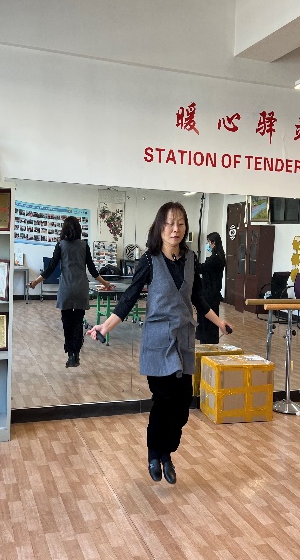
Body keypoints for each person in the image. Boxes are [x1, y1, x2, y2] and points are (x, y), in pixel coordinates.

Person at [87, 202, 231, 484]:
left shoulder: (191, 259)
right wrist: (105, 326)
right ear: (159, 227)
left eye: (180, 223)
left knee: (182, 404)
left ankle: (166, 451)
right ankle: (156, 454)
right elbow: (129, 298)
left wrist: (219, 323)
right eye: (169, 223)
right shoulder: (149, 260)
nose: (175, 229)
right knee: (164, 401)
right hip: (157, 342)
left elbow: (198, 298)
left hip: (183, 340)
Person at [28, 216, 113, 368]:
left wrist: (35, 282)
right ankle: (77, 354)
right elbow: (93, 270)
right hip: (81, 288)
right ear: (78, 229)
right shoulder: (84, 246)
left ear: (64, 229)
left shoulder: (60, 245)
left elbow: (50, 268)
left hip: (66, 289)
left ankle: (70, 354)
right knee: (78, 321)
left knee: (67, 322)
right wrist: (105, 283)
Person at [196, 231, 226, 344]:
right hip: (212, 293)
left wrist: (191, 261)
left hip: (209, 294)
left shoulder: (214, 259)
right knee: (210, 319)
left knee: (207, 319)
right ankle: (208, 340)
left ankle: (207, 342)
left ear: (213, 242)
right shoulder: (219, 257)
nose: (208, 245)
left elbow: (201, 268)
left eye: (208, 242)